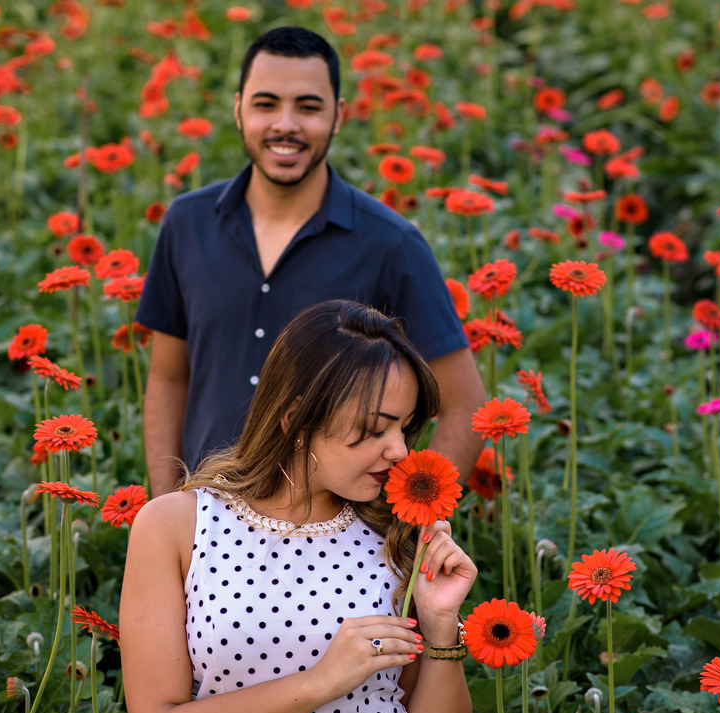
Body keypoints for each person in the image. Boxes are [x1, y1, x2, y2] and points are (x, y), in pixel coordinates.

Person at [120, 300, 477, 713]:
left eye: (405, 426)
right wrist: (319, 682)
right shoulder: (176, 526)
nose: (399, 449)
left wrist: (441, 627)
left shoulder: (397, 537)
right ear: (295, 419)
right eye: (375, 429)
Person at [136, 26, 485, 497]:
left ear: (338, 115)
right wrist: (165, 509)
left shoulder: (390, 243)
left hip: (337, 541)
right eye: (265, 104)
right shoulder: (186, 224)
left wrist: (412, 522)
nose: (286, 125)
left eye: (308, 106)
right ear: (238, 109)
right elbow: (168, 377)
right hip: (206, 522)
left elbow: (465, 403)